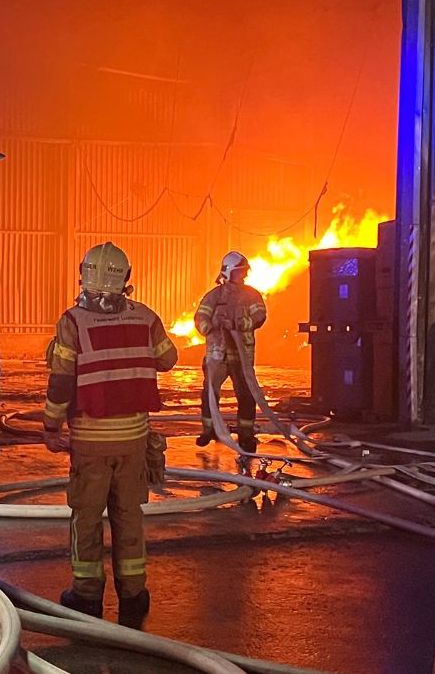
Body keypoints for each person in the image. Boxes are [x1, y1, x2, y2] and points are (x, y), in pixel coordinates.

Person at [42, 242, 177, 629]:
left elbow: (62, 381)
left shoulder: (73, 321)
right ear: (126, 278)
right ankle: (133, 595)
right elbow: (169, 360)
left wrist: (51, 425)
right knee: (128, 515)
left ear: (83, 273)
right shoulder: (146, 318)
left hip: (90, 441)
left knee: (86, 517)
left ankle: (86, 596)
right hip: (134, 440)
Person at [194, 250, 266, 453]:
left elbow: (260, 316)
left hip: (242, 354)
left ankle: (246, 434)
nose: (242, 276)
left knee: (246, 393)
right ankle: (209, 430)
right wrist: (211, 324)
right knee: (210, 392)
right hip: (217, 354)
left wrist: (238, 323)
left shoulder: (251, 294)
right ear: (227, 273)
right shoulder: (213, 296)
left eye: (243, 272)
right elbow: (200, 319)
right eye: (238, 272)